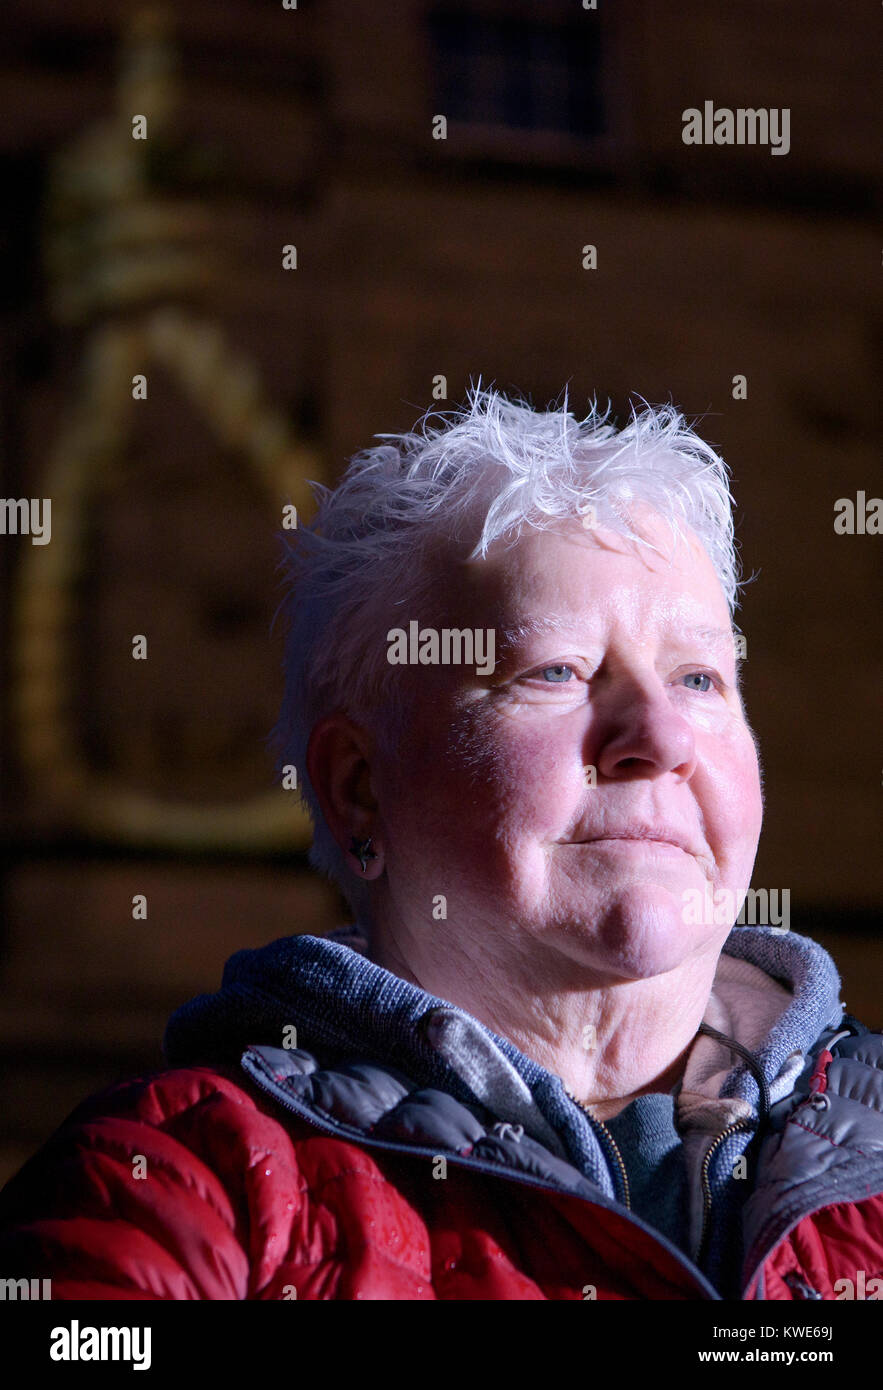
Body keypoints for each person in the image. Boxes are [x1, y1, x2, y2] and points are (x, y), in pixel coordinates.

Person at [1, 384, 881, 1301]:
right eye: (556, 671)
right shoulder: (185, 1191)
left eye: (698, 678)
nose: (658, 740)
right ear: (358, 791)